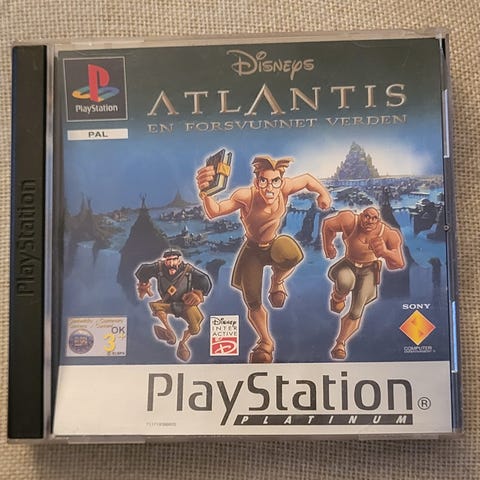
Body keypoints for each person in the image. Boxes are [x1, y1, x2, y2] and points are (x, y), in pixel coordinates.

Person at [196, 154, 331, 363]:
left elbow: (306, 179)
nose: (270, 187)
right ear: (256, 181)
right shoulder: (246, 197)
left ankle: (277, 281)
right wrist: (205, 191)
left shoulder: (284, 189)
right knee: (252, 301)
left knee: (292, 252)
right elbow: (215, 211)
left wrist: (323, 194)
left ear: (281, 181)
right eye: (264, 181)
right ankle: (266, 342)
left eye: (275, 181)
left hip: (273, 245)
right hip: (252, 251)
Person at [321, 207, 405, 360]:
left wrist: (385, 252)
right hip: (348, 264)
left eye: (373, 218)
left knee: (356, 311)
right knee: (345, 281)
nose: (369, 221)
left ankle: (340, 343)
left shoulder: (388, 234)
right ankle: (338, 296)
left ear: (378, 221)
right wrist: (328, 246)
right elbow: (328, 225)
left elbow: (398, 263)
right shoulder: (349, 221)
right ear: (361, 216)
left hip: (369, 271)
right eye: (366, 217)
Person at [135, 249, 212, 362]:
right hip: (167, 304)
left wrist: (197, 294)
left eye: (174, 260)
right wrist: (144, 284)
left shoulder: (188, 270)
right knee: (157, 308)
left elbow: (204, 280)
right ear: (165, 261)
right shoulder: (159, 268)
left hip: (185, 305)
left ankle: (182, 342)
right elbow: (143, 270)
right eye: (168, 260)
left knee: (196, 325)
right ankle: (169, 331)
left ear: (179, 260)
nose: (171, 263)